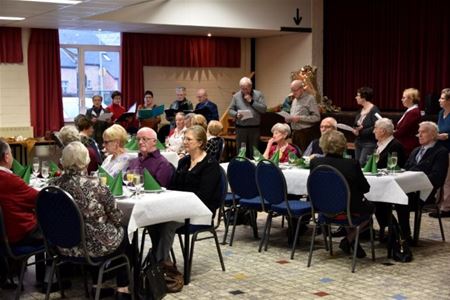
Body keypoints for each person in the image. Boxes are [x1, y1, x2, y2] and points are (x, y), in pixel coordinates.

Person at [49, 141, 132, 298]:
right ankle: (122, 288)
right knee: (124, 231)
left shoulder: (53, 185)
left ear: (62, 161)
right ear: (86, 161)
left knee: (93, 230)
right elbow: (116, 216)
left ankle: (98, 285)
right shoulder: (96, 185)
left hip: (63, 246)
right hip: (92, 247)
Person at [310, 130, 374, 258]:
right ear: (343, 146)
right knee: (370, 208)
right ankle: (349, 239)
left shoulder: (315, 162)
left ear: (322, 145)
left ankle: (351, 240)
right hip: (347, 212)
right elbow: (366, 188)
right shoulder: (351, 164)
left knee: (344, 203)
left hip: (323, 210)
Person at [128, 128, 178, 266]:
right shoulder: (134, 161)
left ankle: (157, 265)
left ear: (154, 142)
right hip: (134, 204)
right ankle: (129, 262)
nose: (140, 142)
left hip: (154, 209)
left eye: (145, 139)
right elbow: (126, 182)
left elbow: (159, 191)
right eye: (138, 139)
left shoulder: (162, 163)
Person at [396, 122, 448, 241]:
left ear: (433, 134)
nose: (419, 135)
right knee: (385, 198)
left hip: (426, 192)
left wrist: (415, 182)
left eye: (422, 132)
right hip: (409, 189)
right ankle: (392, 229)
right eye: (418, 132)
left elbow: (437, 177)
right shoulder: (416, 150)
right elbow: (405, 169)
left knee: (400, 200)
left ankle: (405, 235)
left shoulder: (440, 152)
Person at [171, 125, 222, 212]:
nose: (185, 142)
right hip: (181, 206)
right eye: (184, 138)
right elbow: (174, 186)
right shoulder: (183, 161)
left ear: (200, 143)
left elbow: (205, 196)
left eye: (189, 139)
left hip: (201, 210)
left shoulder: (210, 165)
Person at [0, 139, 41, 246]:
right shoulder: (10, 180)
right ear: (6, 157)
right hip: (18, 235)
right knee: (55, 223)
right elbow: (39, 199)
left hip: (4, 234)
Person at [372, 118, 406, 238]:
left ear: (382, 131)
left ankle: (392, 228)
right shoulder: (380, 145)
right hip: (379, 183)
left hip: (393, 186)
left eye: (375, 129)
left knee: (373, 199)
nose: (373, 131)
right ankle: (371, 228)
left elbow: (391, 167)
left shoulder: (395, 146)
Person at [228, 77, 267, 158]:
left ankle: (254, 169)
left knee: (254, 152)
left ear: (251, 86)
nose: (245, 91)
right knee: (241, 152)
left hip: (254, 128)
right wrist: (236, 114)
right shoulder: (236, 96)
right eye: (242, 89)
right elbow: (230, 110)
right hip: (241, 129)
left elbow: (263, 109)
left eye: (246, 88)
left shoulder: (258, 94)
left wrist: (252, 101)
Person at [285, 80, 321, 151]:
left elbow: (317, 117)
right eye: (292, 90)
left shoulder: (310, 99)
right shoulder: (294, 100)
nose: (293, 93)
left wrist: (300, 118)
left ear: (301, 89)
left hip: (305, 134)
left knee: (304, 157)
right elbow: (294, 115)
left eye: (295, 90)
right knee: (296, 155)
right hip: (295, 133)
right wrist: (289, 119)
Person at [432, 88, 450, 218]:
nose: (439, 100)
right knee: (440, 177)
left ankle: (446, 208)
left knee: (448, 180)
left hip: (449, 149)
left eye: (442, 98)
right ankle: (438, 206)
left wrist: (447, 136)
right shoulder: (440, 113)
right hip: (440, 150)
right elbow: (438, 129)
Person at [352, 86, 381, 165]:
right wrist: (355, 129)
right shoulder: (361, 110)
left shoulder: (374, 110)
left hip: (369, 143)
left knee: (362, 165)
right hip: (358, 141)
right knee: (357, 165)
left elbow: (377, 126)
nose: (356, 97)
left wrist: (361, 131)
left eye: (358, 95)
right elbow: (357, 124)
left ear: (363, 97)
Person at [393, 88, 421, 156]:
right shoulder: (410, 111)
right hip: (404, 145)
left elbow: (403, 130)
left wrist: (390, 132)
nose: (401, 100)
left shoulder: (413, 112)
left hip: (407, 146)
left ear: (411, 99)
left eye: (404, 98)